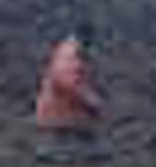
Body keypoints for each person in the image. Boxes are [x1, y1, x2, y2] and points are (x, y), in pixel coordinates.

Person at [33, 25, 103, 153]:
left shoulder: (73, 54)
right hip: (57, 117)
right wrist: (90, 100)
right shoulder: (69, 56)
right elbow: (68, 83)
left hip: (64, 113)